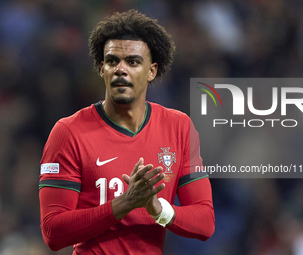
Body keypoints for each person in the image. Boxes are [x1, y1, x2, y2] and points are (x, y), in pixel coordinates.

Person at [39, 9, 215, 255]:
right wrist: (126, 202)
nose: (120, 69)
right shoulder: (68, 132)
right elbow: (52, 233)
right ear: (102, 68)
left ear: (152, 71)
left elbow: (205, 222)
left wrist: (157, 209)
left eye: (133, 62)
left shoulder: (179, 127)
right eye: (112, 61)